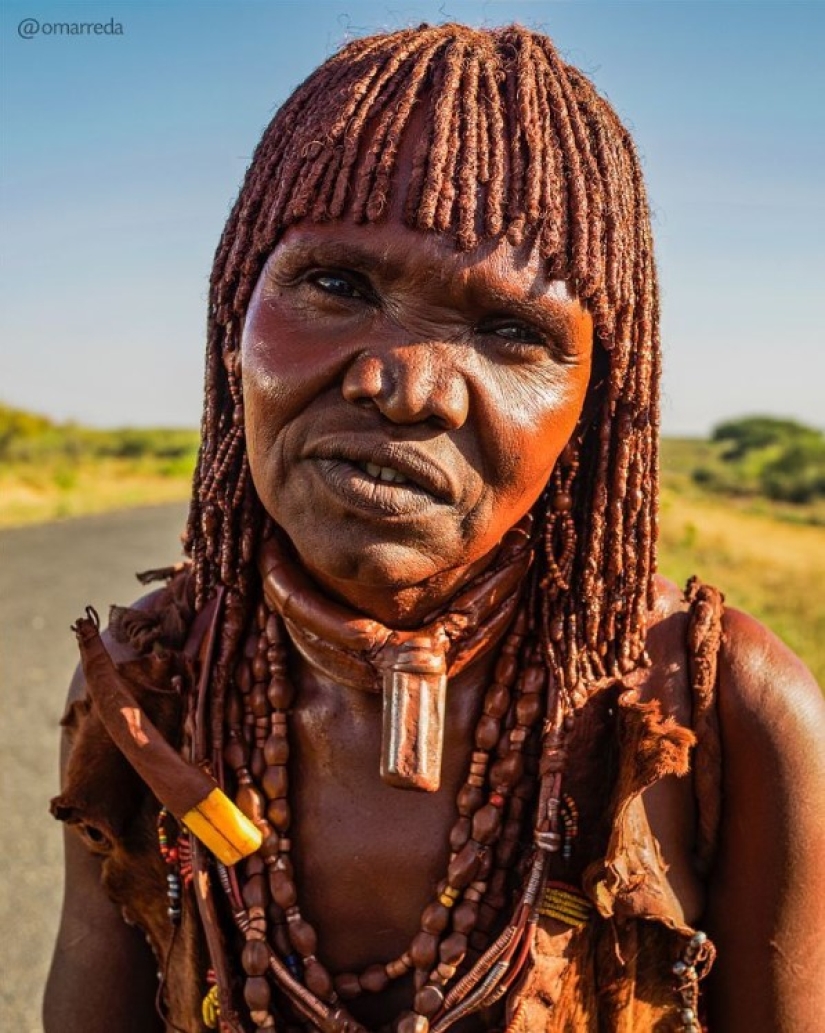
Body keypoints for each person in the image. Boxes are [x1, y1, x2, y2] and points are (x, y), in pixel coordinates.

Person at [44, 22, 825, 1033]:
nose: (400, 384)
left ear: (596, 404)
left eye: (511, 332)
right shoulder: (147, 688)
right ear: (234, 308)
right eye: (336, 285)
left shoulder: (727, 713)